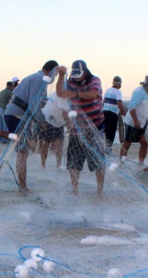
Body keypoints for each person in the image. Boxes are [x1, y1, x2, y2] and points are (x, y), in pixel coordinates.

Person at [0, 60, 59, 193]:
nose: (54, 79)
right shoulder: (39, 79)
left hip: (14, 114)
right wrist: (42, 121)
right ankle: (22, 186)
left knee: (23, 146)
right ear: (52, 71)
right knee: (22, 152)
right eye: (55, 74)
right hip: (16, 116)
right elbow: (33, 104)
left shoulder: (33, 77)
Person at [56, 60, 107, 195]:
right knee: (73, 162)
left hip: (95, 127)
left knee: (98, 162)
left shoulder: (94, 80)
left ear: (85, 71)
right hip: (76, 129)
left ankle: (100, 190)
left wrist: (75, 94)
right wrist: (61, 76)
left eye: (79, 74)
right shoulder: (70, 81)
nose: (77, 77)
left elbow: (93, 94)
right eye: (75, 74)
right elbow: (60, 92)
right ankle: (75, 190)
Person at [120, 75, 148, 167]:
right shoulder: (139, 92)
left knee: (144, 142)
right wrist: (136, 121)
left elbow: (146, 109)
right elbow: (131, 106)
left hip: (142, 123)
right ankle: (121, 163)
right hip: (132, 122)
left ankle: (140, 164)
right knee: (127, 142)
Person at [103, 76, 126, 147]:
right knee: (111, 132)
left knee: (106, 131)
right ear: (119, 84)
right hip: (112, 114)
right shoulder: (118, 92)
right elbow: (119, 103)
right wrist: (123, 112)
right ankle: (108, 148)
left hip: (104, 112)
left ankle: (105, 147)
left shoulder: (107, 90)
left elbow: (104, 102)